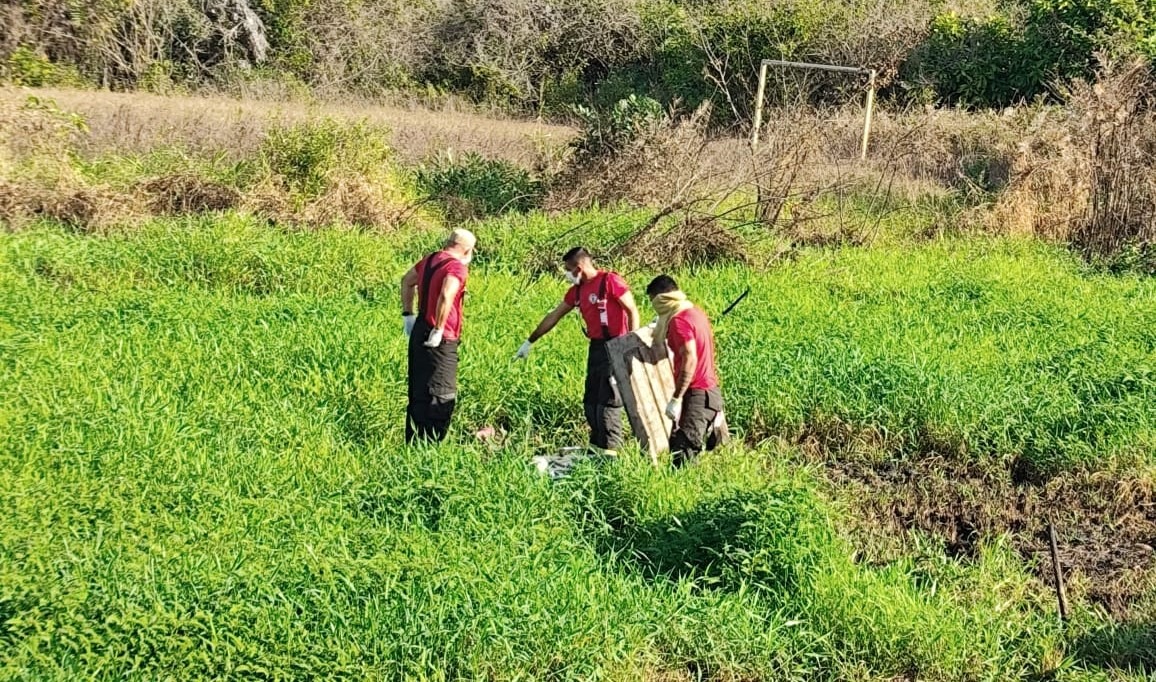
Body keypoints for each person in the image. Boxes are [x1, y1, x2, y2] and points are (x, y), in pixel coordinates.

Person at [514, 247, 640, 455]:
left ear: (579, 268)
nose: (566, 274)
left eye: (568, 269)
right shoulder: (578, 291)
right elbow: (555, 315)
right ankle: (596, 446)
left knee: (608, 399)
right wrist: (530, 341)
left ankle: (610, 451)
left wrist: (629, 347)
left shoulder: (610, 281)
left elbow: (632, 310)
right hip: (597, 347)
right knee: (591, 398)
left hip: (617, 343)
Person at [400, 228, 476, 443]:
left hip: (419, 329)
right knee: (441, 394)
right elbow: (446, 294)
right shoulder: (456, 267)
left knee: (419, 391)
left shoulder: (431, 259)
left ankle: (413, 444)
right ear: (468, 249)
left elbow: (407, 280)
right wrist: (439, 328)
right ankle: (431, 448)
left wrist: (408, 315)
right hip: (441, 338)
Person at [646, 274, 727, 467]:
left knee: (684, 453)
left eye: (653, 302)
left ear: (662, 298)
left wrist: (676, 398)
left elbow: (690, 358)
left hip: (697, 395)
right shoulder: (695, 312)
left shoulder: (678, 321)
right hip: (710, 392)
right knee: (690, 448)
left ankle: (687, 494)